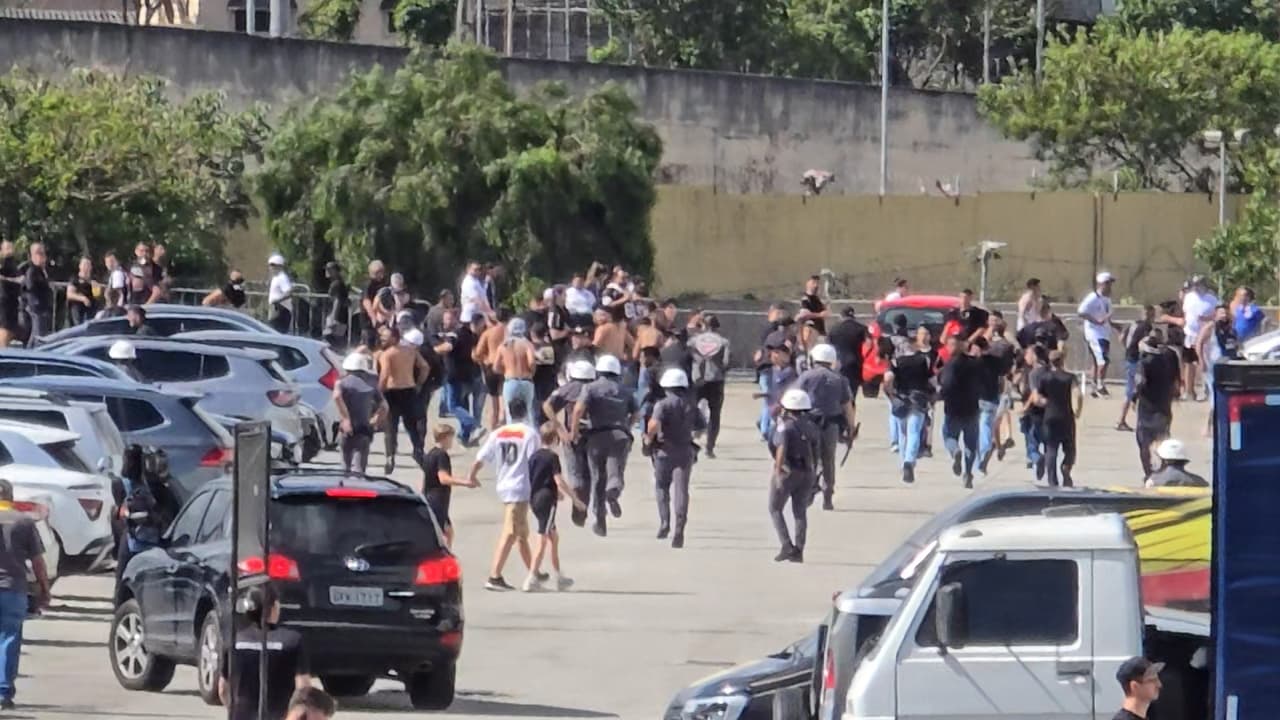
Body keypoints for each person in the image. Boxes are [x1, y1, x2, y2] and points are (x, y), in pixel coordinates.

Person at [468, 397, 542, 592]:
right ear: (526, 411)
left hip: (504, 484)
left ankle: (534, 571)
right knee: (511, 531)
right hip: (520, 486)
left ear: (509, 411)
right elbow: (535, 462)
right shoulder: (530, 434)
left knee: (521, 533)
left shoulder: (498, 433)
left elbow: (480, 457)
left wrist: (472, 476)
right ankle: (495, 575)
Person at [218, 584, 312, 720]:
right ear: (273, 607)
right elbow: (303, 687)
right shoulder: (292, 641)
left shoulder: (234, 641)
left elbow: (223, 688)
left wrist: (234, 711)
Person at [569, 354, 639, 537]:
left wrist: (574, 431)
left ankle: (600, 520)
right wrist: (627, 426)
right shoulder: (625, 390)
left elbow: (578, 410)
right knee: (615, 470)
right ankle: (614, 489)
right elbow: (637, 413)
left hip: (596, 437)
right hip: (619, 436)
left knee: (597, 478)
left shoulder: (590, 388)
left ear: (598, 371)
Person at [0, 478, 50, 710]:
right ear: (10, 497)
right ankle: (3, 692)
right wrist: (44, 589)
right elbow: (38, 562)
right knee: (9, 638)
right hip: (13, 589)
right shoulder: (23, 522)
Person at [645, 368, 705, 548]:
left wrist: (649, 438)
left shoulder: (662, 405)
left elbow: (654, 425)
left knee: (662, 487)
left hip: (664, 451)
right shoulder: (691, 405)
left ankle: (665, 522)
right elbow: (701, 427)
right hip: (685, 450)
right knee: (682, 490)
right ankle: (680, 528)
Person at [524, 423, 586, 591]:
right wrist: (575, 500)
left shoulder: (534, 456)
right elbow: (559, 480)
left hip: (534, 497)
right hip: (546, 499)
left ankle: (559, 576)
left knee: (553, 536)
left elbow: (532, 478)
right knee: (543, 537)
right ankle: (531, 577)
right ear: (555, 439)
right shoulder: (552, 457)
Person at [795, 343, 857, 509]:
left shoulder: (806, 377)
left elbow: (795, 398)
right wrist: (851, 428)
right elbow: (847, 406)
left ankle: (809, 488)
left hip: (809, 423)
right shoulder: (840, 379)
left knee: (810, 459)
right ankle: (828, 493)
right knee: (828, 460)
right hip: (831, 424)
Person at [769, 388, 821, 563]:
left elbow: (781, 447)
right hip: (807, 471)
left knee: (775, 508)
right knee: (799, 512)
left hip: (789, 470)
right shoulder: (811, 426)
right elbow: (816, 451)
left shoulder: (785, 425)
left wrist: (778, 471)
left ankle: (786, 545)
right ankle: (799, 550)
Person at [543, 359, 596, 526]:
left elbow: (547, 405)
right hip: (595, 435)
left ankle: (579, 510)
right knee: (591, 474)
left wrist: (559, 428)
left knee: (575, 474)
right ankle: (588, 507)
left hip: (571, 437)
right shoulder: (596, 388)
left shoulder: (568, 388)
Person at [376, 325, 430, 472]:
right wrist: (418, 383)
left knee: (390, 427)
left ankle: (390, 457)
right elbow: (425, 367)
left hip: (392, 392)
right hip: (409, 390)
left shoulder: (387, 354)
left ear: (394, 337)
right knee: (412, 425)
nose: (382, 339)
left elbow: (385, 375)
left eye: (385, 337)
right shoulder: (410, 351)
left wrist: (378, 393)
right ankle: (418, 450)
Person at [883, 334, 932, 483]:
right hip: (919, 399)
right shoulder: (924, 360)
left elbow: (888, 380)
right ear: (915, 345)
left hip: (901, 399)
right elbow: (933, 381)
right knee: (914, 432)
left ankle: (904, 461)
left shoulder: (896, 362)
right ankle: (909, 461)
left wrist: (890, 395)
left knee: (903, 433)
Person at [1031, 349, 1083, 487]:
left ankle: (1052, 481)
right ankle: (1066, 467)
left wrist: (1046, 403)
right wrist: (1078, 410)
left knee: (1051, 449)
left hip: (1050, 416)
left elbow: (1036, 399)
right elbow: (1078, 395)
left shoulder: (1044, 378)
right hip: (1066, 415)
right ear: (1063, 360)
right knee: (1070, 448)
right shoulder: (1070, 377)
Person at [432, 308, 483, 447]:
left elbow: (447, 347)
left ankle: (474, 425)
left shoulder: (455, 334)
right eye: (445, 319)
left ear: (456, 319)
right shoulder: (469, 334)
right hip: (468, 375)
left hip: (454, 376)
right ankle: (464, 436)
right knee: (462, 406)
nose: (446, 321)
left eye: (449, 319)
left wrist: (435, 349)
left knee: (453, 406)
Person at [1132, 329, 1179, 480]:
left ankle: (1148, 473)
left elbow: (1140, 383)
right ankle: (1164, 469)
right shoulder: (1168, 358)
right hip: (1164, 403)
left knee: (1143, 442)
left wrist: (1134, 397)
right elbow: (1174, 379)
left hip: (1147, 406)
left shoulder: (1144, 362)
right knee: (1162, 439)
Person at [939, 337, 984, 488]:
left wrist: (940, 396)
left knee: (949, 436)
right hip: (972, 408)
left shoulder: (951, 364)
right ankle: (968, 473)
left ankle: (955, 451)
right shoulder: (975, 363)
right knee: (971, 443)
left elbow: (947, 385)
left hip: (954, 409)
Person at [422, 424, 476, 548]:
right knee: (439, 535)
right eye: (451, 437)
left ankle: (447, 557)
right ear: (445, 438)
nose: (452, 441)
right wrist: (466, 482)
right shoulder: (442, 455)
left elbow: (426, 479)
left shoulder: (430, 454)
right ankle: (443, 560)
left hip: (429, 497)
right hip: (438, 500)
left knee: (448, 532)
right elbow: (443, 478)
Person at [333, 352, 386, 477]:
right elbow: (384, 406)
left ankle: (343, 489)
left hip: (346, 428)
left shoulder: (342, 382)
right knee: (359, 467)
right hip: (364, 428)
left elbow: (336, 396)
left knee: (345, 465)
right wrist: (376, 420)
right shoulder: (372, 384)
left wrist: (345, 419)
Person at [688, 314, 729, 458]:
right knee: (715, 414)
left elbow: (688, 356)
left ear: (703, 325)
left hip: (697, 379)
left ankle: (689, 441)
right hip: (716, 380)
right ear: (717, 327)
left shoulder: (693, 341)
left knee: (690, 410)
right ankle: (709, 448)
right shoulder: (723, 342)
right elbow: (726, 363)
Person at [1171, 275, 1217, 401]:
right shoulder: (1189, 297)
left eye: (1199, 284)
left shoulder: (1212, 299)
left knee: (1204, 363)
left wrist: (1206, 319)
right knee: (1189, 362)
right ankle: (1189, 391)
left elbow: (1216, 315)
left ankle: (1207, 390)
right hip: (1190, 334)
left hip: (1205, 336)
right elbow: (1186, 314)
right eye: (1195, 285)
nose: (1197, 287)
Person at [1116, 305, 1156, 432]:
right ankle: (1121, 420)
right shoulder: (1147, 327)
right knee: (1133, 389)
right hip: (1136, 360)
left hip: (1129, 357)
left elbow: (1121, 338)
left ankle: (1127, 417)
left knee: (1134, 388)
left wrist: (1128, 349)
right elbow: (1143, 343)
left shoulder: (1132, 324)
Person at [1078, 271, 1117, 397]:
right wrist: (1096, 321)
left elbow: (1107, 317)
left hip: (1104, 333)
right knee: (1103, 360)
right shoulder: (1092, 297)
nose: (1110, 286)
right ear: (1101, 284)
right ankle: (1100, 386)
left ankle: (1094, 386)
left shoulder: (1107, 299)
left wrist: (1116, 326)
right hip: (1095, 334)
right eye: (1108, 284)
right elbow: (1081, 311)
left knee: (1098, 361)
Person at [827, 306, 867, 421]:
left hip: (837, 365)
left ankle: (839, 421)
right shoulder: (861, 329)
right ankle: (850, 422)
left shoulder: (833, 328)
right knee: (851, 395)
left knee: (837, 395)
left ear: (841, 315)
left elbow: (828, 347)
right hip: (855, 366)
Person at [495, 317, 537, 425]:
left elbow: (496, 367)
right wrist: (532, 372)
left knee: (510, 414)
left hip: (510, 380)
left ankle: (512, 438)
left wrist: (505, 370)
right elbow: (531, 362)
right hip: (526, 380)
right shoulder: (527, 344)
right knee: (528, 413)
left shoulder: (503, 346)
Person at [474, 309, 508, 430]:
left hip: (491, 366)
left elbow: (477, 353)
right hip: (507, 367)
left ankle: (493, 431)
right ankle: (504, 425)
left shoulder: (488, 333)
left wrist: (484, 359)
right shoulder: (511, 332)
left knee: (494, 404)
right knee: (504, 399)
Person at [21, 243, 52, 345]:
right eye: (39, 254)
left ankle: (29, 353)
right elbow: (30, 288)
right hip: (36, 307)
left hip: (41, 307)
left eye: (43, 254)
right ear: (33, 256)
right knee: (38, 334)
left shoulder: (42, 271)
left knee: (36, 335)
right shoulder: (32, 271)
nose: (43, 257)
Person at [321, 262, 350, 347]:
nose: (327, 271)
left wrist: (333, 317)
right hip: (340, 316)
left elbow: (337, 301)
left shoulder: (337, 284)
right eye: (326, 269)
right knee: (336, 338)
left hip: (337, 316)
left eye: (330, 269)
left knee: (329, 337)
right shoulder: (338, 283)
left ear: (336, 271)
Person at [65, 256, 98, 326]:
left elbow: (97, 296)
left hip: (90, 311)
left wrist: (96, 289)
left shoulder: (93, 280)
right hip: (77, 309)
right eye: (84, 264)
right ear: (80, 266)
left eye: (88, 265)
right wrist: (83, 299)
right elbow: (69, 294)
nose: (86, 267)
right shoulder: (75, 279)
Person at [459, 261, 494, 326]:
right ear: (468, 270)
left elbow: (482, 294)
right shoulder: (468, 282)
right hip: (469, 318)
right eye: (475, 270)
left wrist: (486, 283)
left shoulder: (475, 280)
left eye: (479, 269)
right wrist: (490, 312)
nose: (477, 272)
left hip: (477, 316)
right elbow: (478, 300)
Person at [267, 253, 294, 333]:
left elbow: (289, 292)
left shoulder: (282, 277)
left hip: (281, 310)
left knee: (277, 332)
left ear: (279, 266)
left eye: (273, 265)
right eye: (270, 265)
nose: (271, 267)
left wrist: (277, 301)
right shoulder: (276, 277)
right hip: (275, 308)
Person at [361, 260, 390, 329]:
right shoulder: (368, 284)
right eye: (379, 273)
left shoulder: (384, 282)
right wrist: (373, 318)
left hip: (383, 316)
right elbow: (366, 302)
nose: (382, 275)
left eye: (382, 272)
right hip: (369, 318)